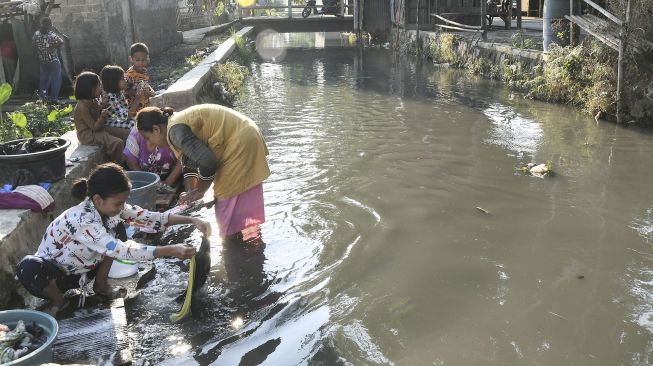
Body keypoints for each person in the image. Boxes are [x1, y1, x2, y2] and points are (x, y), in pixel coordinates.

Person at [15, 163, 211, 315]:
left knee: (116, 231)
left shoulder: (111, 209)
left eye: (123, 202)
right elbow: (121, 250)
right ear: (98, 200)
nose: (122, 207)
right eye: (119, 203)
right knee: (28, 266)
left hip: (80, 273)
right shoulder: (82, 220)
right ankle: (60, 302)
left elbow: (152, 218)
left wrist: (192, 219)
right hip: (52, 276)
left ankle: (100, 286)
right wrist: (170, 250)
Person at [136, 104, 270, 241]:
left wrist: (200, 191)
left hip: (241, 142)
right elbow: (189, 161)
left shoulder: (174, 132)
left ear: (156, 129)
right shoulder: (175, 125)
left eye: (147, 138)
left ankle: (232, 248)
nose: (149, 143)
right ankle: (249, 244)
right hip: (246, 134)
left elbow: (208, 162)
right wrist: (190, 194)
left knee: (225, 203)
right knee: (236, 199)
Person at [73, 71, 124, 163]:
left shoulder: (93, 101)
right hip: (87, 134)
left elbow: (97, 115)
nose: (101, 89)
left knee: (127, 134)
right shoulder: (82, 107)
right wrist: (103, 117)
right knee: (117, 142)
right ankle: (118, 165)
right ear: (90, 89)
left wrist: (103, 106)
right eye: (99, 86)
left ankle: (129, 158)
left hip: (98, 128)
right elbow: (95, 128)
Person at [32, 17, 63, 103]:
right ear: (49, 25)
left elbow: (33, 45)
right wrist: (52, 47)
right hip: (53, 61)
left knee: (44, 81)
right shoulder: (51, 34)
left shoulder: (36, 34)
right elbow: (61, 41)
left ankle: (43, 99)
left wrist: (40, 51)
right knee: (55, 80)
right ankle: (54, 99)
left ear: (41, 24)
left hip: (43, 61)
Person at [100, 65, 134, 141]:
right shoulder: (110, 97)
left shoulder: (118, 93)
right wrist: (138, 99)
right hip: (112, 123)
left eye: (124, 78)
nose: (125, 80)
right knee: (134, 126)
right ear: (113, 82)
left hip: (119, 119)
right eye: (122, 79)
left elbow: (126, 109)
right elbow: (125, 117)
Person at [124, 42, 155, 118]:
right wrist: (137, 93)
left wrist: (151, 91)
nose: (141, 63)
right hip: (135, 106)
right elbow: (125, 92)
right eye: (137, 60)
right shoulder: (129, 75)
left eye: (143, 60)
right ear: (131, 59)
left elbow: (146, 83)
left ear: (147, 59)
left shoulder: (144, 70)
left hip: (144, 103)